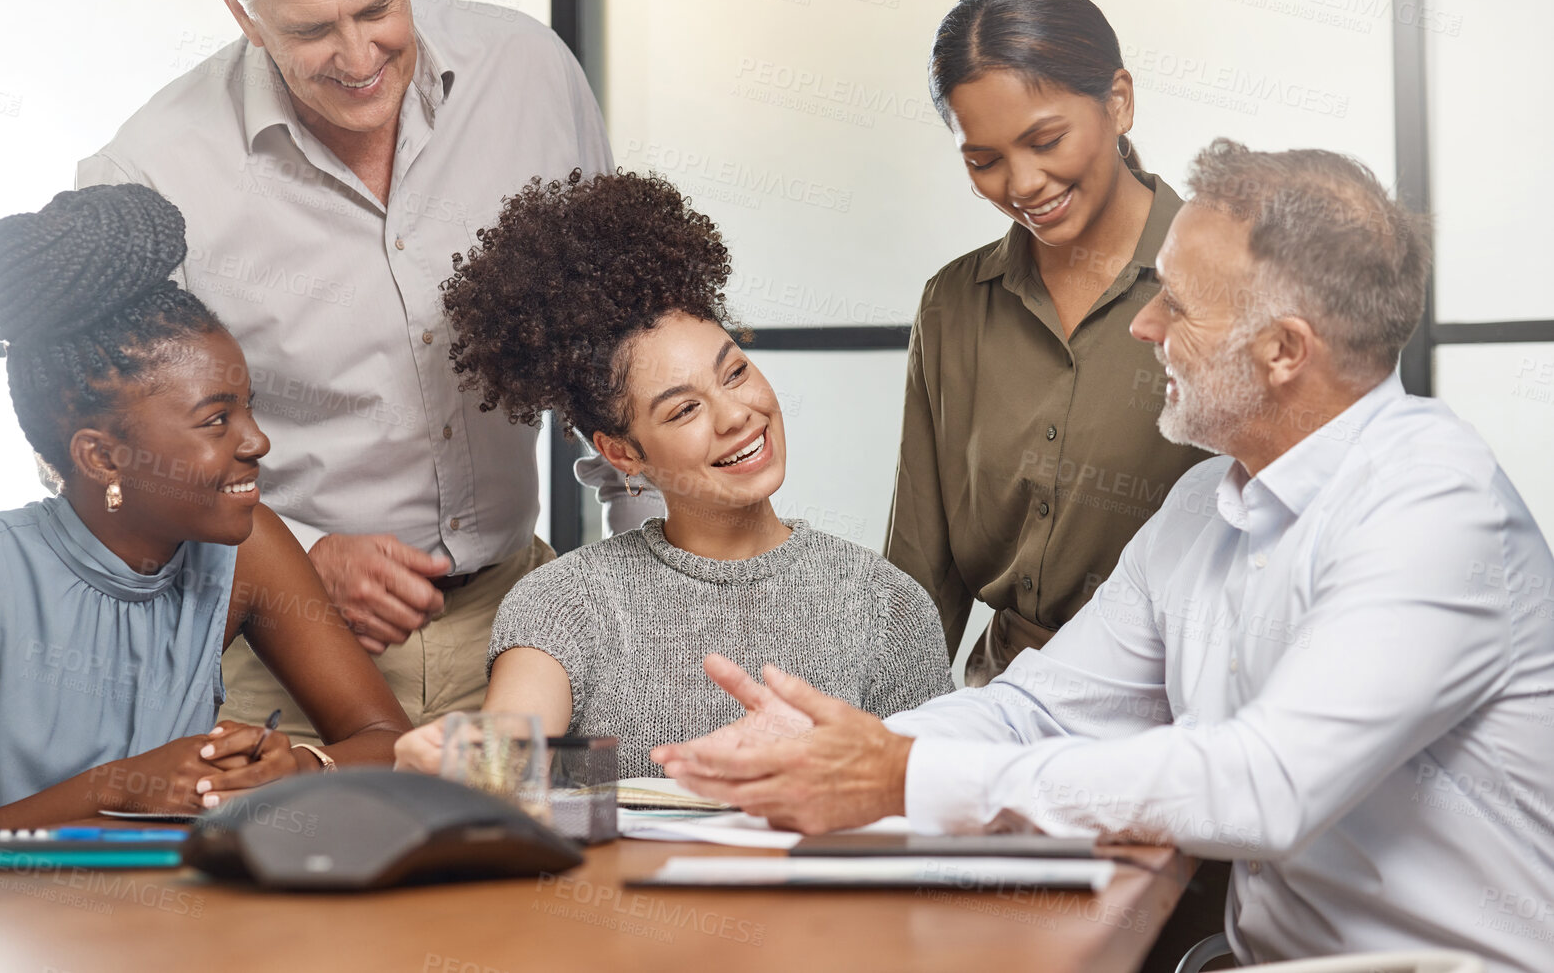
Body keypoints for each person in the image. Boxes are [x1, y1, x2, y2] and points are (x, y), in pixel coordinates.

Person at [655, 140, 1554, 973]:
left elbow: (1265, 783)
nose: (1143, 325)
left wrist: (899, 773)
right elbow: (1036, 708)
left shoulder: (1434, 505)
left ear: (1284, 351)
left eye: (1178, 303)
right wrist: (849, 747)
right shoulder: (1203, 502)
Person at [75, 0, 659, 738]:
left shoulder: (529, 74)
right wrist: (295, 561)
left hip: (525, 622)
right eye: (310, 29)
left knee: (541, 879)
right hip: (275, 647)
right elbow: (93, 447)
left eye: (376, 8)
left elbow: (622, 344)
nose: (357, 59)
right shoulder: (151, 174)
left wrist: (651, 571)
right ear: (241, 13)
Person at [0, 185, 410, 852]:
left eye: (248, 407)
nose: (257, 442)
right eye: (217, 419)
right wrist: (116, 788)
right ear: (103, 456)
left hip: (133, 933)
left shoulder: (245, 549)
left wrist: (305, 767)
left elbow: (389, 740)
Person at [391, 171, 952, 779]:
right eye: (684, 408)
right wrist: (454, 765)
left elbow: (925, 805)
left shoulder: (886, 605)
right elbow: (508, 758)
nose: (737, 414)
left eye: (734, 372)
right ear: (623, 454)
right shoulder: (565, 604)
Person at [888, 0, 1207, 687]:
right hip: (1002, 706)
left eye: (1045, 140)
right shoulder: (953, 303)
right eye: (983, 160)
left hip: (1182, 711)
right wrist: (883, 748)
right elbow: (920, 565)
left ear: (1117, 102)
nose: (1022, 183)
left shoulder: (1229, 283)